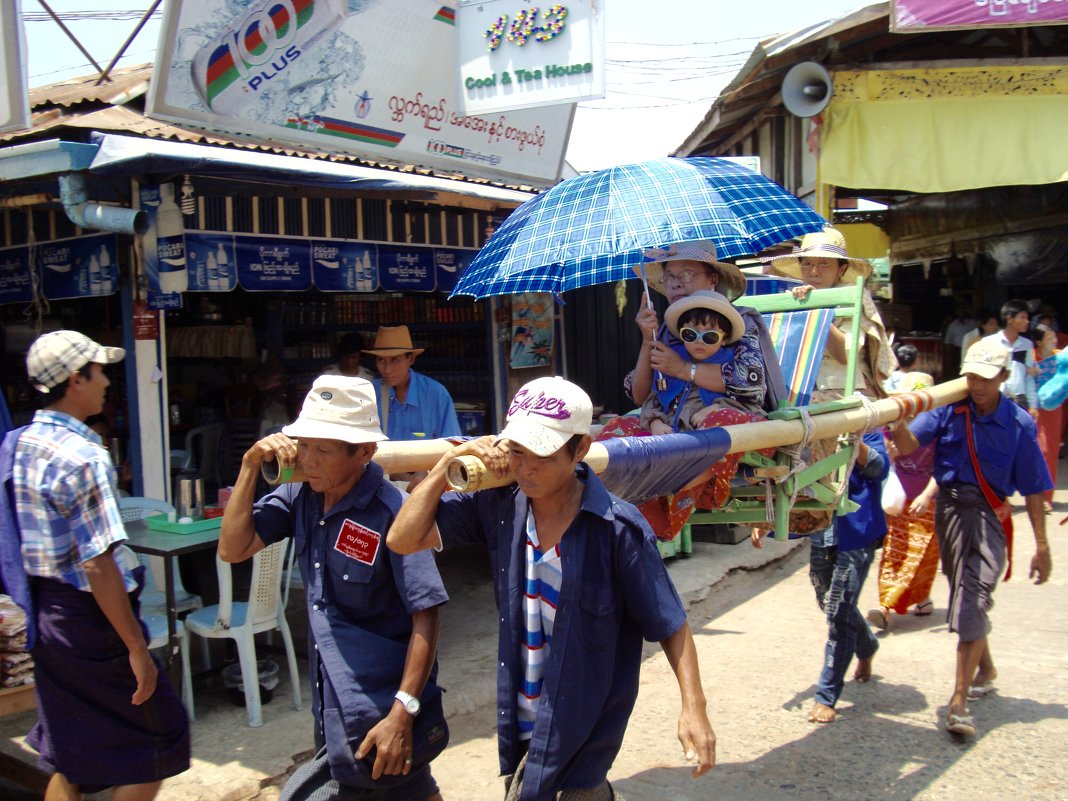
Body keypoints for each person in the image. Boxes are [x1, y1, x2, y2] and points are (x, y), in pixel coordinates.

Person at [387, 376, 717, 800]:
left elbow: (669, 622)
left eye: (540, 455)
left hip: (583, 730)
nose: (525, 468)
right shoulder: (499, 507)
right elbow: (403, 539)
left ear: (579, 450)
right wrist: (443, 468)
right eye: (517, 452)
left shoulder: (617, 529)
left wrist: (694, 707)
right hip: (522, 724)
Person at [218, 375, 449, 801]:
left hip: (380, 703)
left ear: (364, 452)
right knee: (407, 789)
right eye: (303, 445)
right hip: (332, 700)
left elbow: (427, 613)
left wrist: (403, 713)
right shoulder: (299, 496)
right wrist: (251, 466)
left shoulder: (392, 512)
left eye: (323, 450)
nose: (309, 461)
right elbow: (233, 549)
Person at [0, 330, 190, 801]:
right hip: (91, 622)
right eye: (99, 371)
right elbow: (99, 565)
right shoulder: (83, 457)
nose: (107, 380)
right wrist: (136, 649)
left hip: (46, 615)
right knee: (160, 741)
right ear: (74, 379)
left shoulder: (17, 444)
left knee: (73, 755)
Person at [889, 340, 1053, 738]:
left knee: (972, 598)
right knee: (965, 595)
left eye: (986, 376)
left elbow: (1033, 488)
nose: (977, 384)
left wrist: (1042, 547)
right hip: (948, 512)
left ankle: (958, 702)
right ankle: (987, 668)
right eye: (971, 375)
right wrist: (897, 421)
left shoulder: (1018, 424)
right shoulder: (949, 410)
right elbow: (911, 445)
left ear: (1002, 376)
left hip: (989, 515)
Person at [627, 240, 785, 415]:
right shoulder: (667, 330)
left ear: (713, 280)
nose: (675, 284)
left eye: (687, 274)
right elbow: (640, 397)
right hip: (671, 428)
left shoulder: (737, 322)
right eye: (669, 276)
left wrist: (681, 368)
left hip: (727, 428)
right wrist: (649, 339)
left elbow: (750, 383)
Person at [807, 429, 890, 724]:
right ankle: (866, 644)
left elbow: (881, 469)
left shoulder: (868, 428)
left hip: (858, 532)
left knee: (839, 612)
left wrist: (857, 445)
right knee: (827, 599)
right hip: (820, 533)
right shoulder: (810, 428)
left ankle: (826, 695)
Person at [770, 226, 895, 402]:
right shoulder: (794, 299)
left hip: (843, 391)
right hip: (798, 391)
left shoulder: (851, 298)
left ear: (841, 270)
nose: (814, 271)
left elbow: (844, 354)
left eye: (824, 264)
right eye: (807, 263)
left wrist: (814, 310)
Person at [868, 370, 940, 631]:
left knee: (925, 554)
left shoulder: (936, 429)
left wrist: (925, 495)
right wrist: (890, 454)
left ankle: (921, 598)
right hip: (898, 503)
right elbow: (882, 465)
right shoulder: (891, 428)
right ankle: (886, 606)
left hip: (927, 501)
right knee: (897, 553)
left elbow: (944, 468)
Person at [364, 325, 461, 491]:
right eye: (381, 360)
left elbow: (455, 448)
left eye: (395, 360)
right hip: (378, 490)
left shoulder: (436, 394)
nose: (387, 369)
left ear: (411, 359)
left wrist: (430, 474)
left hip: (427, 488)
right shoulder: (367, 395)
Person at [982, 299, 1037, 413]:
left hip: (1020, 400)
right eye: (1022, 317)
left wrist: (1033, 405)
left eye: (1027, 318)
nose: (1027, 321)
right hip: (996, 398)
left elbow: (1029, 377)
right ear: (1010, 319)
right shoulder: (989, 342)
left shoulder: (1026, 345)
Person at [1032, 324, 1063, 513]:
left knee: (1048, 450)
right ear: (1039, 341)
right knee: (1031, 450)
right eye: (1050, 338)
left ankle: (1046, 497)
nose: (1054, 341)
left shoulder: (1060, 357)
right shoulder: (1029, 356)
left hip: (1052, 409)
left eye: (1054, 337)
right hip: (1031, 407)